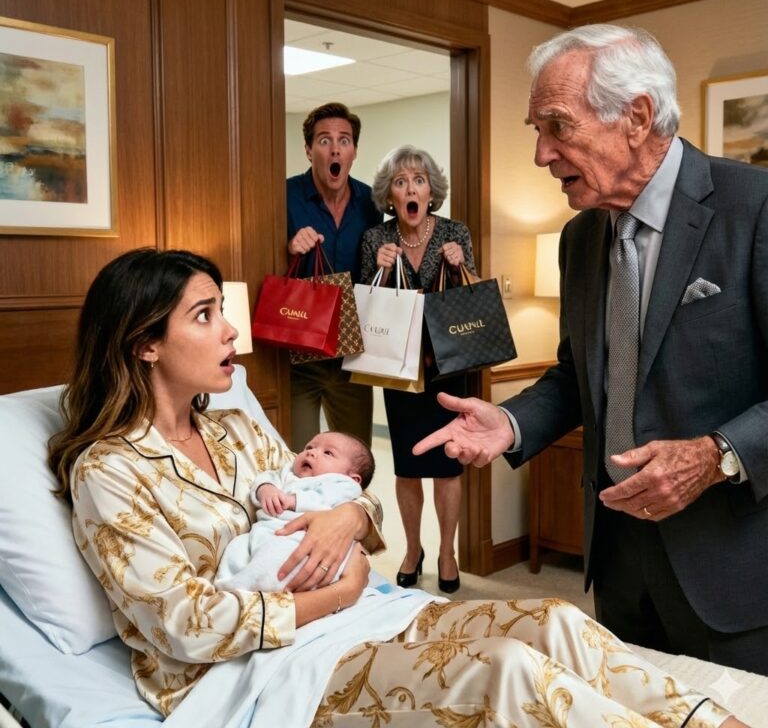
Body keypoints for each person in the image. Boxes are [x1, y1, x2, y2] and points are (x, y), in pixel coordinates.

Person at [47, 247, 748, 727]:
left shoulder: (236, 430)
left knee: (553, 620)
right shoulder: (109, 472)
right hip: (251, 671)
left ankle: (710, 720)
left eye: (220, 310)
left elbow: (345, 490)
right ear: (144, 343)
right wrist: (337, 593)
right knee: (503, 670)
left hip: (352, 622)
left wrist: (351, 520)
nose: (231, 329)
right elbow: (182, 624)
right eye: (204, 316)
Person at [414, 24, 768, 676]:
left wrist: (716, 455)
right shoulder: (579, 239)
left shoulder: (755, 209)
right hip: (618, 553)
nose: (541, 154)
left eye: (557, 127)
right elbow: (579, 375)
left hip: (732, 566)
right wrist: (510, 422)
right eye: (536, 131)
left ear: (637, 117)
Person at [360, 144, 477, 594]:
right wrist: (378, 268)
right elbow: (365, 303)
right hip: (400, 367)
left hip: (447, 366)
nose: (411, 189)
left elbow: (471, 295)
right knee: (408, 466)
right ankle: (413, 549)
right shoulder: (376, 238)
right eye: (401, 182)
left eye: (419, 180)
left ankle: (447, 551)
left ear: (431, 191)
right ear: (390, 196)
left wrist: (460, 263)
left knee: (448, 464)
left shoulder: (454, 232)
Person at [287, 102, 382, 449]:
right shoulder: (284, 195)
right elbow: (258, 262)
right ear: (309, 149)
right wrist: (289, 246)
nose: (335, 149)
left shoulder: (371, 203)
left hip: (352, 353)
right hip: (300, 352)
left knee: (355, 453)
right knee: (299, 456)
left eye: (344, 140)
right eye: (324, 140)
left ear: (354, 151)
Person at [215, 430, 375, 592]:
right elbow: (267, 477)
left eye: (328, 453)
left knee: (280, 556)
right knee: (236, 548)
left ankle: (255, 587)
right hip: (264, 530)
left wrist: (295, 500)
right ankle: (228, 585)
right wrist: (266, 489)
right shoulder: (288, 472)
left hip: (303, 535)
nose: (311, 452)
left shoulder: (343, 484)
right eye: (309, 447)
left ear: (353, 478)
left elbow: (325, 498)